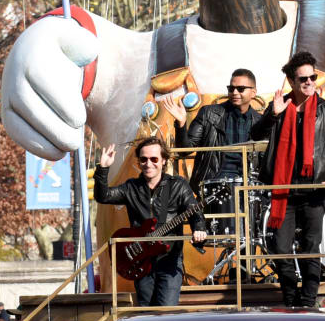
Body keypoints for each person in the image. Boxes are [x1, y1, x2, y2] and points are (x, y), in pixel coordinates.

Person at [251, 50, 325, 308]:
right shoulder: (281, 107)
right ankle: (290, 298)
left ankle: (307, 301)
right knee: (280, 248)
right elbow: (255, 134)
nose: (309, 83)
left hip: (314, 190)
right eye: (303, 79)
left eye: (312, 77)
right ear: (292, 82)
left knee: (311, 247)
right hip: (284, 191)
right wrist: (273, 114)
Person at [95, 136, 208, 308]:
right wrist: (103, 169)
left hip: (169, 259)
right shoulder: (131, 187)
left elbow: (194, 211)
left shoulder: (178, 185)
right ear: (139, 162)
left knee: (167, 311)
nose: (149, 163)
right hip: (140, 259)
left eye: (154, 159)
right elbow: (103, 196)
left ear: (163, 161)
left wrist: (199, 228)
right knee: (146, 312)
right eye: (144, 159)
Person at [173, 67, 263, 192]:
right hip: (213, 181)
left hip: (247, 185)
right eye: (231, 89)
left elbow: (264, 160)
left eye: (241, 89)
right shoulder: (208, 113)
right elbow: (184, 150)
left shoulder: (260, 121)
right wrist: (181, 124)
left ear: (253, 92)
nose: (234, 92)